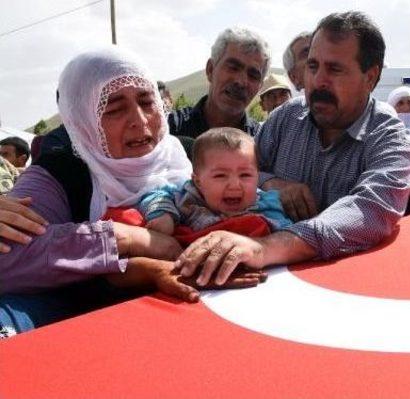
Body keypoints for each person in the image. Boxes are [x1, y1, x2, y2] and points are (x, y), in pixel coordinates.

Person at [0, 48, 264, 335]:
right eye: (114, 109)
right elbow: (7, 257)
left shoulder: (192, 154)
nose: (139, 120)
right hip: (102, 331)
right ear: (82, 118)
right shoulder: (60, 173)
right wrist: (123, 237)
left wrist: (277, 186)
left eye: (146, 101)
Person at [174, 11, 410, 287]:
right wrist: (275, 184)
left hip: (347, 292)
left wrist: (265, 248)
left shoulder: (390, 139)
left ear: (370, 77)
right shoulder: (286, 118)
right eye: (312, 66)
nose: (318, 81)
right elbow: (250, 170)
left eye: (335, 69)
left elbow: (371, 211)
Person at [37, 27, 271, 158]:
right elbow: (69, 140)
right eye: (233, 67)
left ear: (259, 87)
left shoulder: (265, 142)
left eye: (253, 75)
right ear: (210, 69)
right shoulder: (166, 127)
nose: (241, 81)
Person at [138, 128, 291, 244]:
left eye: (245, 175)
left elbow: (288, 237)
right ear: (198, 182)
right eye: (220, 175)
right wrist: (163, 215)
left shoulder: (268, 207)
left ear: (257, 177)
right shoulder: (187, 197)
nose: (234, 185)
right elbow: (154, 195)